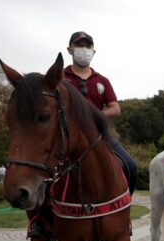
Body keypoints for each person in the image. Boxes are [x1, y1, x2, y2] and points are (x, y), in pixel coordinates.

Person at [64, 31, 138, 194]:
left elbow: (115, 108)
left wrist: (94, 115)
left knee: (131, 166)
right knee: (43, 174)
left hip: (100, 136)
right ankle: (40, 217)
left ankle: (125, 206)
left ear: (93, 51)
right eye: (79, 45)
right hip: (67, 138)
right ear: (70, 49)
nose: (84, 49)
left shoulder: (102, 81)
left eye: (87, 46)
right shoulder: (60, 77)